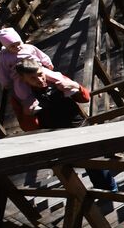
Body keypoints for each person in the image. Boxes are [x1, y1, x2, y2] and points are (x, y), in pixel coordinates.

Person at [13, 56, 117, 192]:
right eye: (32, 78)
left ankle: (110, 191)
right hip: (56, 137)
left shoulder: (56, 78)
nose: (40, 80)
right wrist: (28, 113)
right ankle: (80, 197)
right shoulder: (20, 97)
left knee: (95, 163)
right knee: (66, 169)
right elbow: (28, 128)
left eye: (40, 74)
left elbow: (85, 98)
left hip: (79, 127)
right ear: (23, 79)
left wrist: (77, 87)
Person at [0, 27, 55, 132]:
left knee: (54, 76)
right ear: (6, 47)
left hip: (37, 68)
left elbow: (41, 55)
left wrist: (48, 63)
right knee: (21, 91)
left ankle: (66, 86)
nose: (17, 47)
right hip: (19, 77)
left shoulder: (29, 48)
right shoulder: (5, 57)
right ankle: (31, 104)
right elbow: (2, 71)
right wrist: (5, 82)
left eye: (18, 43)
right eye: (12, 46)